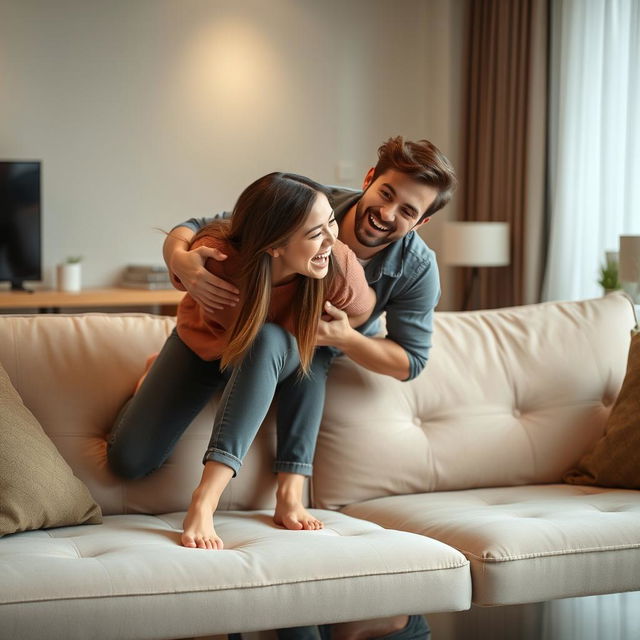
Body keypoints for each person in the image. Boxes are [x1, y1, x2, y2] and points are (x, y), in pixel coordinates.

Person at [163, 136, 457, 640]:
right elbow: (200, 225)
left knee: (311, 350)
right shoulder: (311, 204)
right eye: (386, 194)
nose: (388, 214)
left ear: (421, 222)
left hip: (313, 352)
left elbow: (411, 361)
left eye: (408, 211)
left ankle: (290, 491)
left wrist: (344, 337)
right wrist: (184, 261)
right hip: (251, 339)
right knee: (273, 337)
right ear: (369, 179)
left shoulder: (416, 268)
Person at [108, 172, 375, 549]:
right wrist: (180, 262)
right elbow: (189, 230)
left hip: (276, 354)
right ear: (275, 245)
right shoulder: (218, 256)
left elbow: (364, 310)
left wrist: (341, 331)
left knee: (290, 347)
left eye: (331, 221)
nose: (332, 239)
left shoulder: (337, 264)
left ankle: (209, 499)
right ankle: (162, 373)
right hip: (206, 346)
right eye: (316, 233)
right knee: (128, 462)